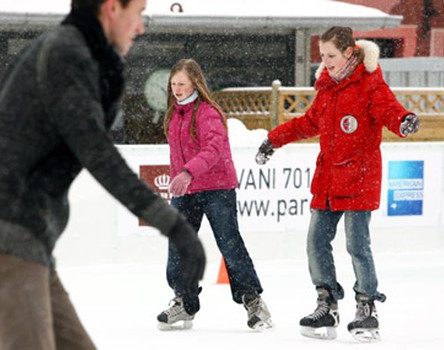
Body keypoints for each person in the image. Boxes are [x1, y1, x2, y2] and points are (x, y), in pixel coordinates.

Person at [0, 1, 205, 349]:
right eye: (138, 11)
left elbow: (22, 148)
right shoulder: (66, 52)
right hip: (9, 234)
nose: (141, 26)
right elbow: (96, 151)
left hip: (19, 234)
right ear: (112, 7)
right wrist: (173, 225)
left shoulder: (82, 57)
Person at [256, 26, 420, 342]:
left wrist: (403, 122)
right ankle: (327, 303)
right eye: (323, 56)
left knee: (357, 245)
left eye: (331, 55)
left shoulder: (370, 85)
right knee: (316, 242)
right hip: (328, 179)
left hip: (359, 178)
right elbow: (307, 122)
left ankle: (366, 307)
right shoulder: (328, 89)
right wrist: (273, 140)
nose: (326, 61)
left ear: (348, 53)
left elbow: (390, 111)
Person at [157, 58, 273, 332]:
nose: (177, 89)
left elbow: (213, 149)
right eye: (173, 83)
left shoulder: (208, 112)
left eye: (182, 83)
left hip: (217, 187)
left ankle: (254, 302)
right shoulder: (175, 114)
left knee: (229, 243)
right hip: (187, 189)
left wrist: (187, 172)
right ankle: (184, 301)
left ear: (195, 83)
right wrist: (182, 177)